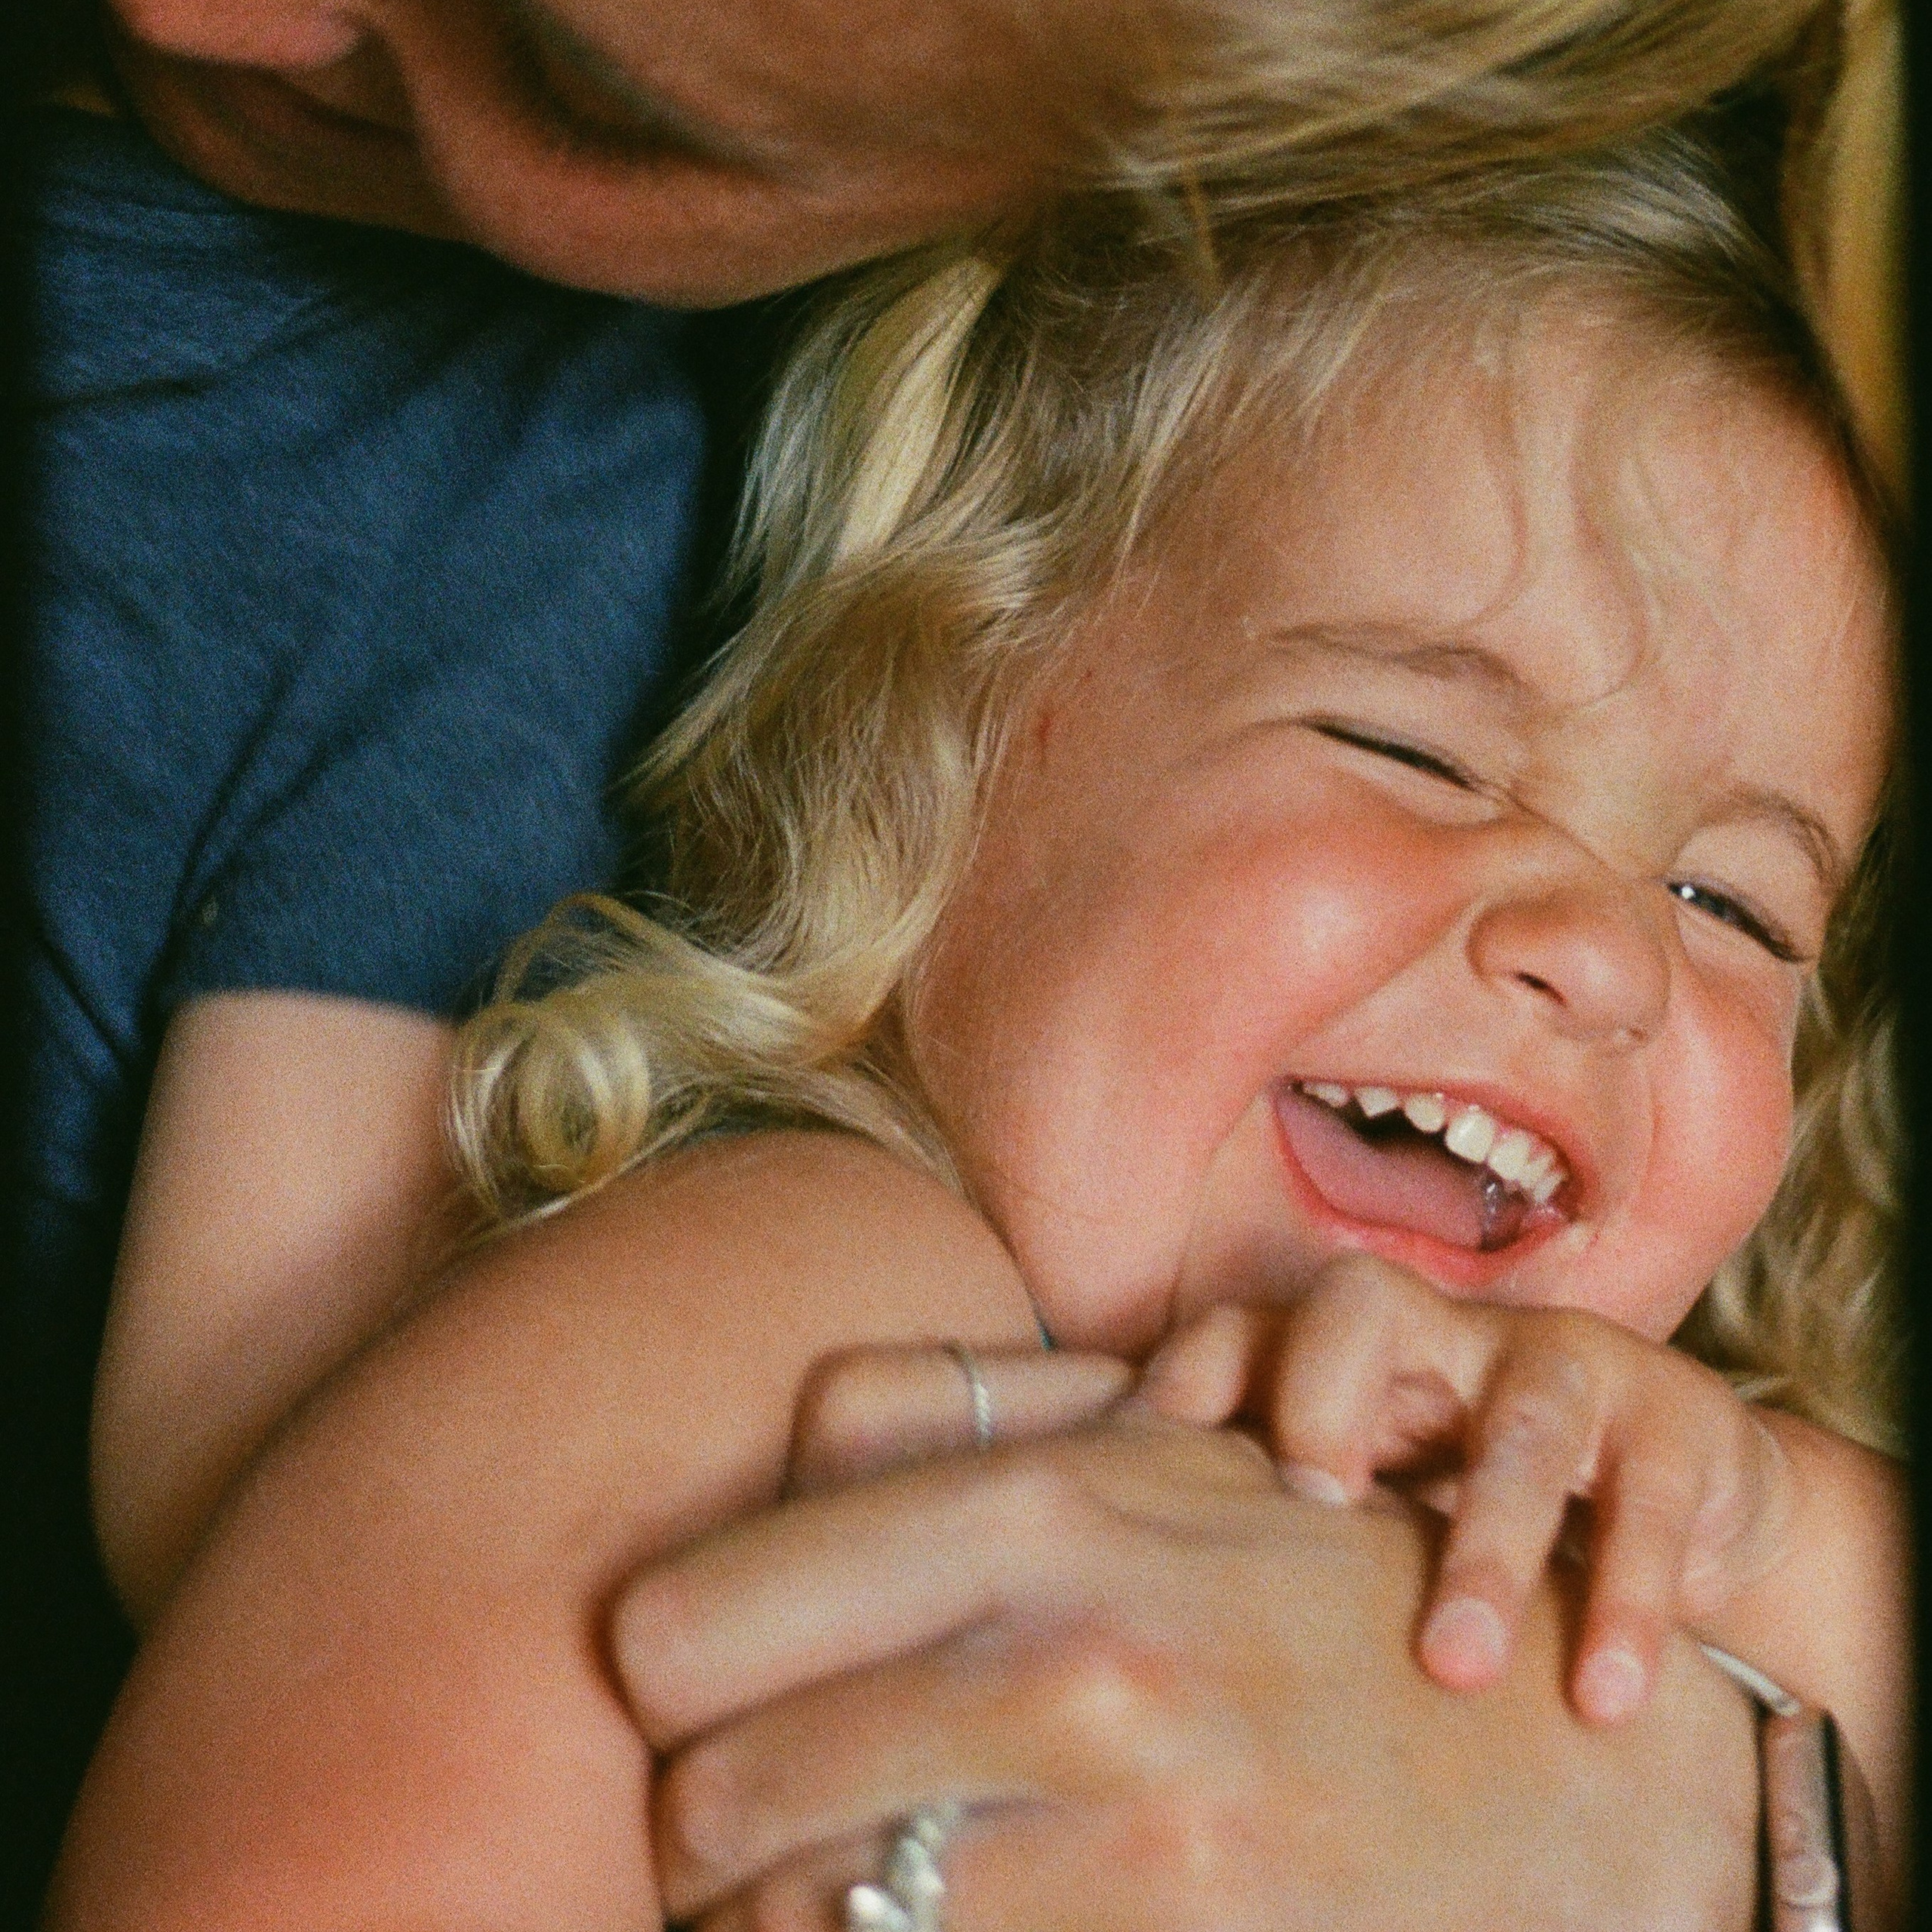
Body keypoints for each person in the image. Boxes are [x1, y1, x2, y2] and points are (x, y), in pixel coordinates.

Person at [16, 0, 1847, 1909]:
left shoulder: (1653, 1519)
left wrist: (1727, 1526)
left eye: (1737, 907)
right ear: (937, 744)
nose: (1601, 957)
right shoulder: (799, 1313)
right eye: (1411, 751)